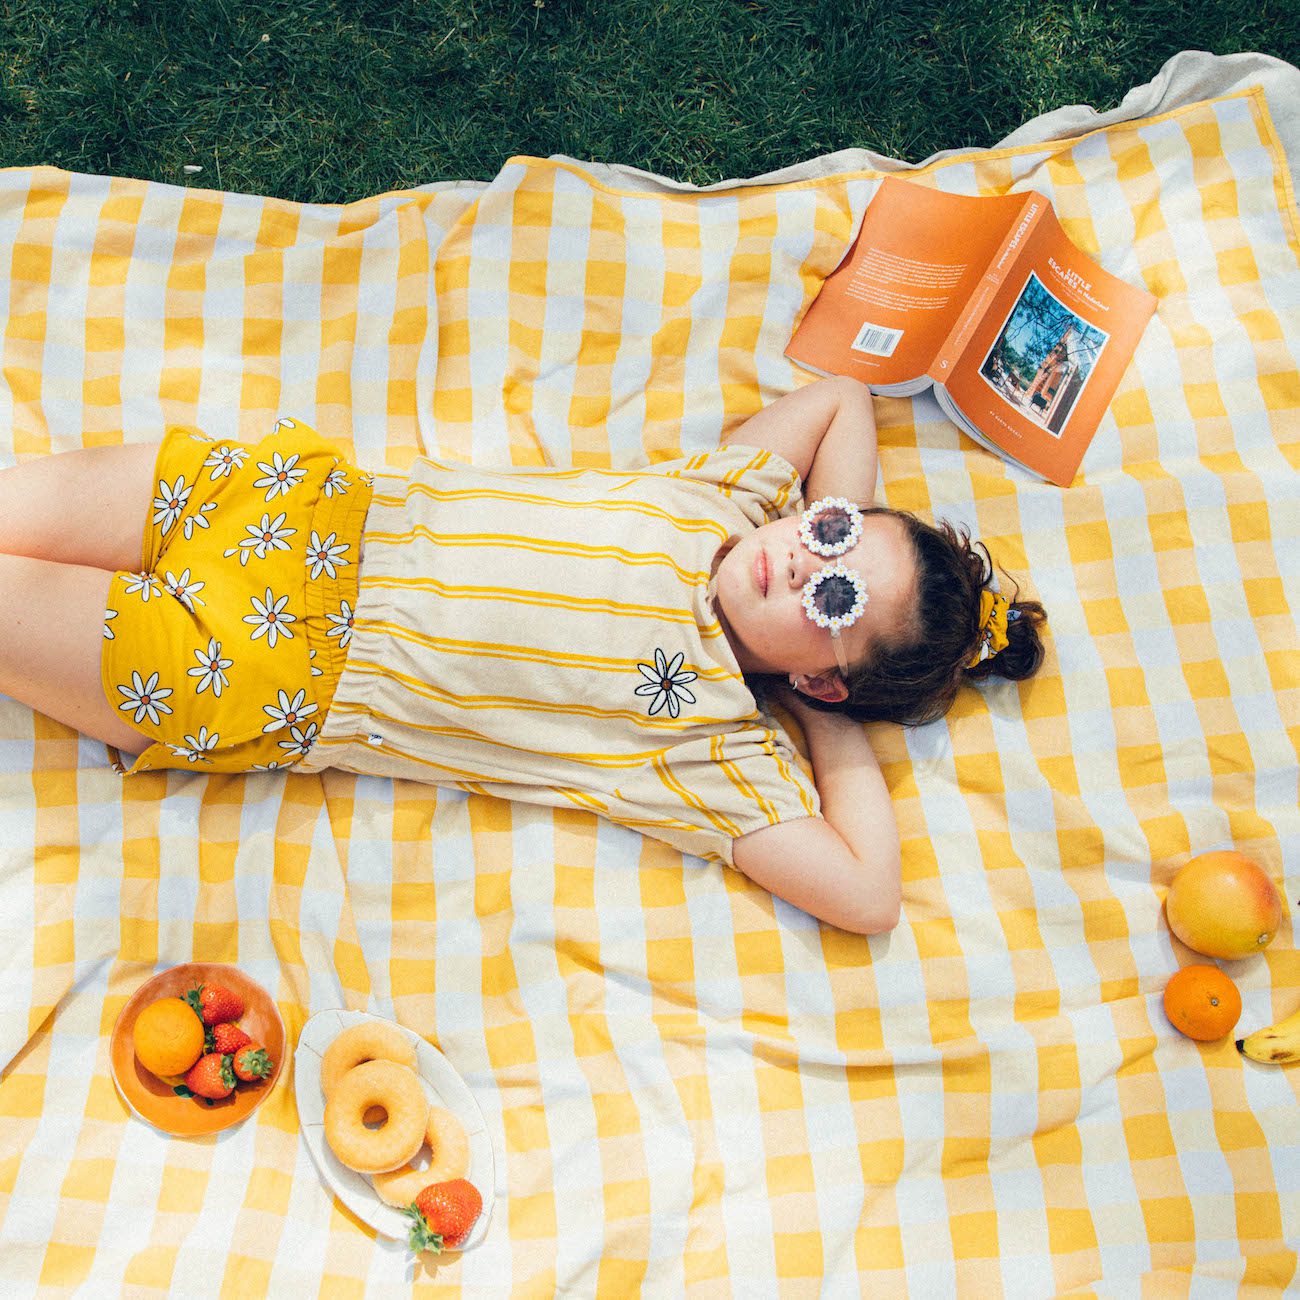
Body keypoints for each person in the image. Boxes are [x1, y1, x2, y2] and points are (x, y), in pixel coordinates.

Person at [0, 377, 1044, 934]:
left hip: (257, 670)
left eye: (834, 599)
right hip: (290, 507)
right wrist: (835, 536)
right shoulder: (731, 498)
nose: (798, 556)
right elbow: (843, 397)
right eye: (827, 535)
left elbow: (865, 898)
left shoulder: (714, 752)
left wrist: (821, 715)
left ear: (823, 674)